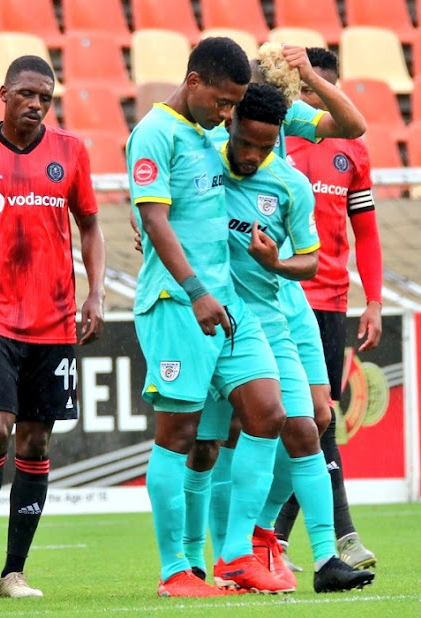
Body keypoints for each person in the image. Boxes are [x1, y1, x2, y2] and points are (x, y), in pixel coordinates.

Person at [126, 37, 294, 597]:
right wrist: (195, 289)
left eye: (235, 105)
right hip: (179, 305)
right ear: (193, 81)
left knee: (268, 412)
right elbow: (154, 220)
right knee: (178, 434)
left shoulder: (208, 134)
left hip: (227, 305)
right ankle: (176, 568)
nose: (229, 117)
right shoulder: (154, 132)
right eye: (223, 103)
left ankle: (236, 555)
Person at [0, 55, 106, 600]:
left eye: (46, 97)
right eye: (28, 94)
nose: (36, 104)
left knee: (34, 444)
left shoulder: (71, 152)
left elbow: (91, 227)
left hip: (55, 321)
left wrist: (95, 292)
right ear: (4, 93)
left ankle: (15, 572)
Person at [198, 83, 374, 593]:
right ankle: (212, 555)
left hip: (277, 316)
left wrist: (275, 262)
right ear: (228, 124)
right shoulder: (202, 161)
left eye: (264, 146)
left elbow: (311, 260)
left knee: (310, 424)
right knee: (222, 438)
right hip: (222, 320)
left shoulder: (289, 184)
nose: (252, 156)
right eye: (245, 143)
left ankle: (318, 559)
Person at [275, 47, 382, 571]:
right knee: (298, 421)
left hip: (331, 301)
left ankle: (282, 538)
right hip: (279, 297)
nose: (318, 98)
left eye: (325, 88)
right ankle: (335, 537)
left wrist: (375, 299)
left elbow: (367, 232)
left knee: (319, 421)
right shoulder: (270, 136)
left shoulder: (352, 152)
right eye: (310, 89)